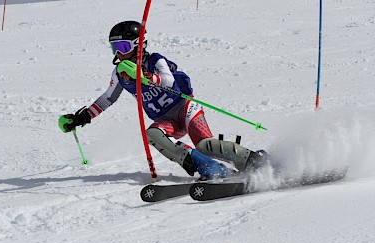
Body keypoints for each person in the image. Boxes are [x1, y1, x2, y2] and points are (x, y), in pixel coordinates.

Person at [59, 21, 266, 180]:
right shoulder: (119, 73)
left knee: (205, 145)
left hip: (184, 109)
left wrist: (145, 77)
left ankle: (253, 160)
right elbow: (107, 98)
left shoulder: (155, 60)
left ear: (138, 44)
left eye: (123, 47)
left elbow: (168, 80)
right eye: (115, 49)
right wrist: (83, 117)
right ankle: (213, 170)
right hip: (165, 119)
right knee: (153, 133)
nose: (119, 54)